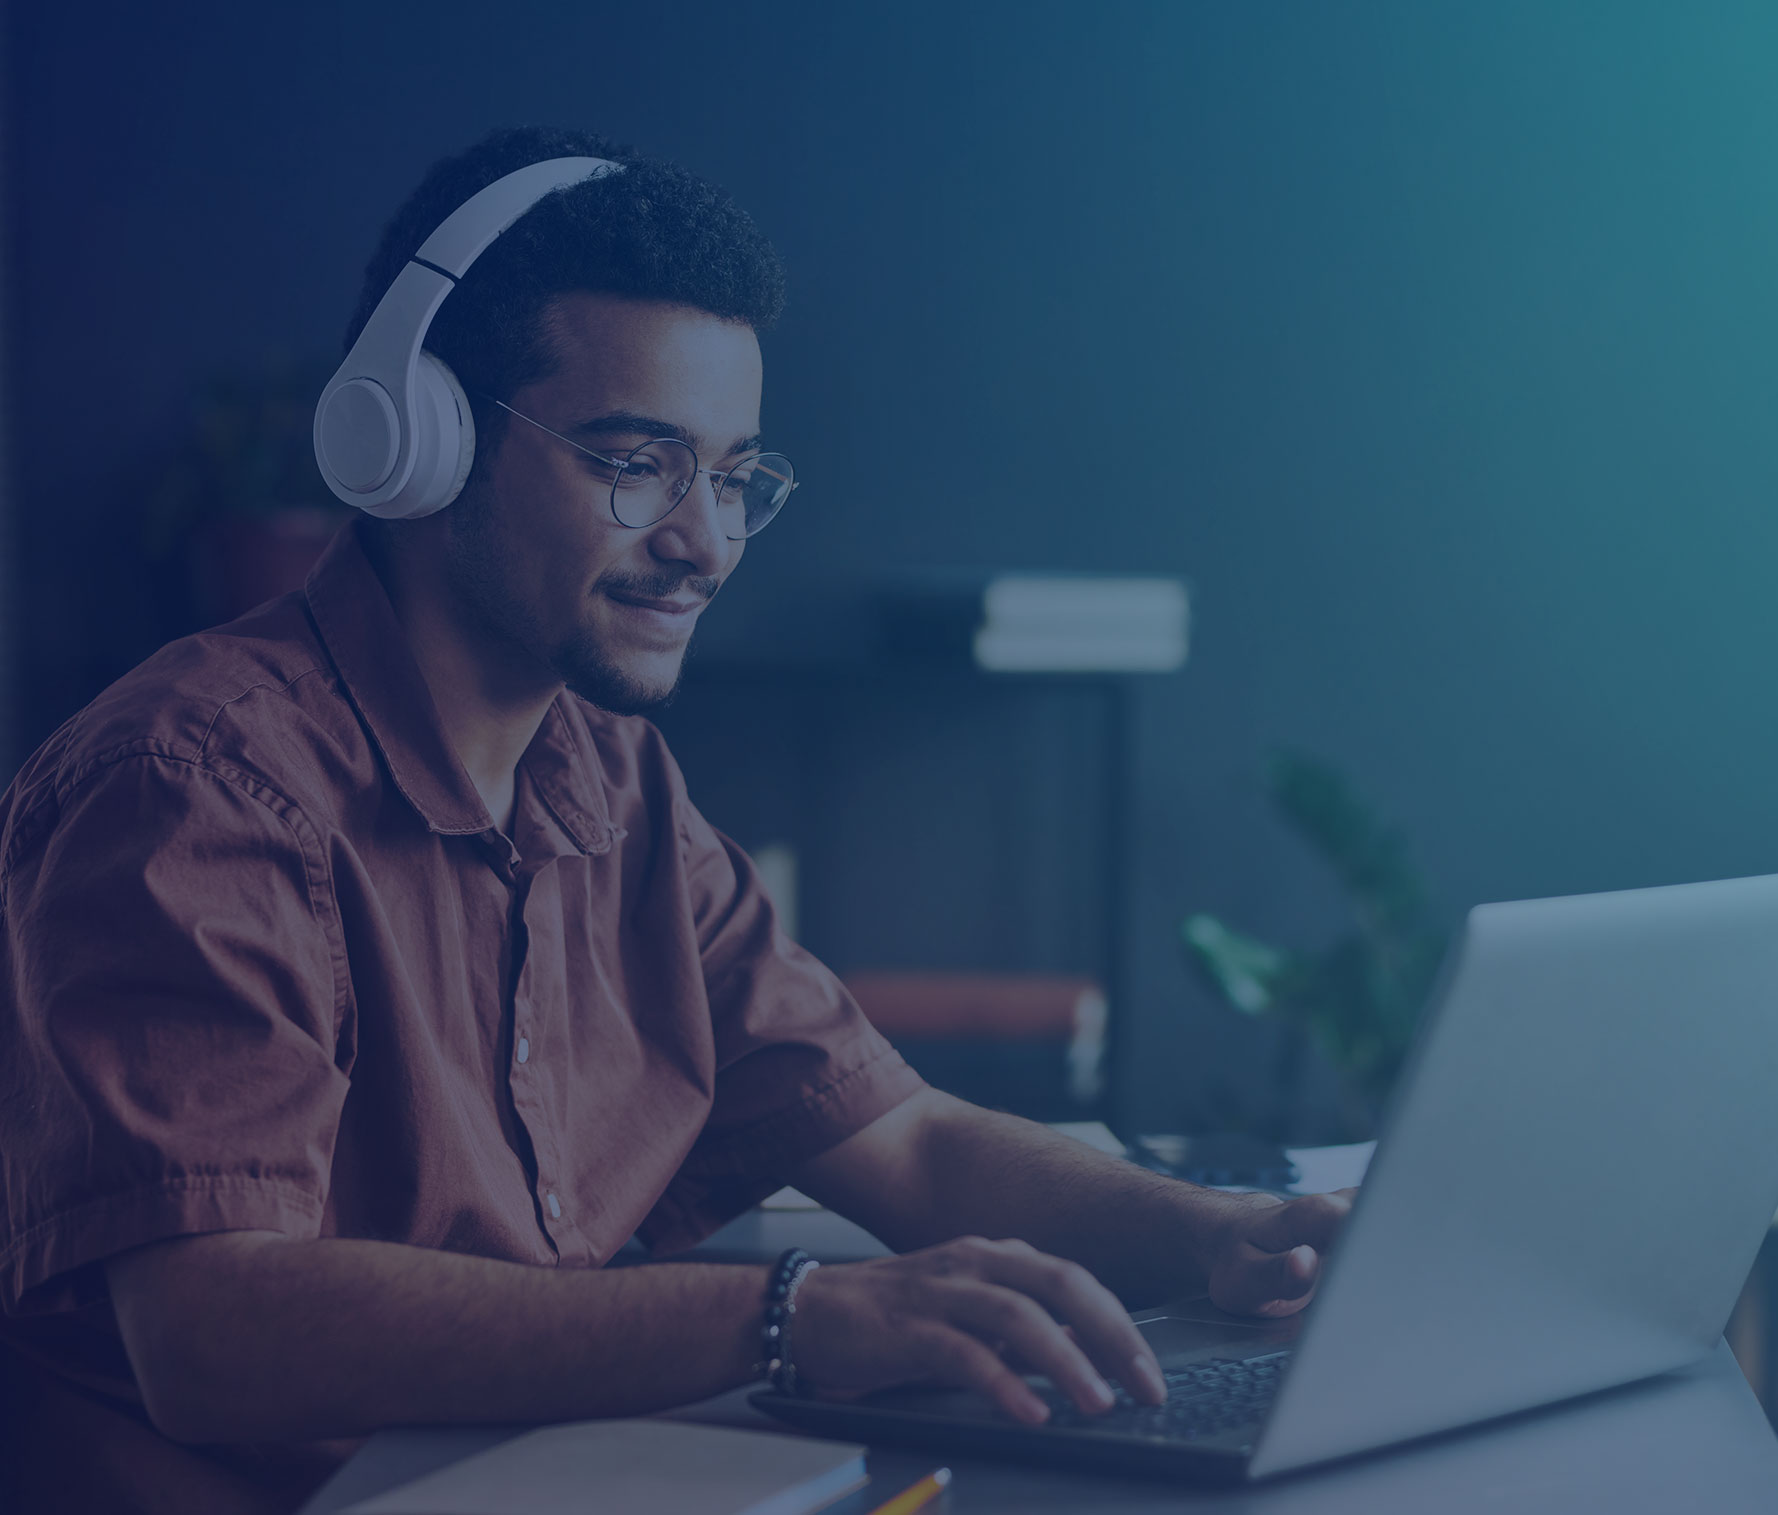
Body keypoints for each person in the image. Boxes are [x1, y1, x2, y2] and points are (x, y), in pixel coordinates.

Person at [0, 127, 1351, 1514]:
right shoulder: (189, 784)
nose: (704, 541)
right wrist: (789, 1317)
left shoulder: (613, 781)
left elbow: (902, 1141)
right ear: (418, 442)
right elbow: (215, 1328)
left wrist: (1226, 1238)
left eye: (733, 475)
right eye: (637, 462)